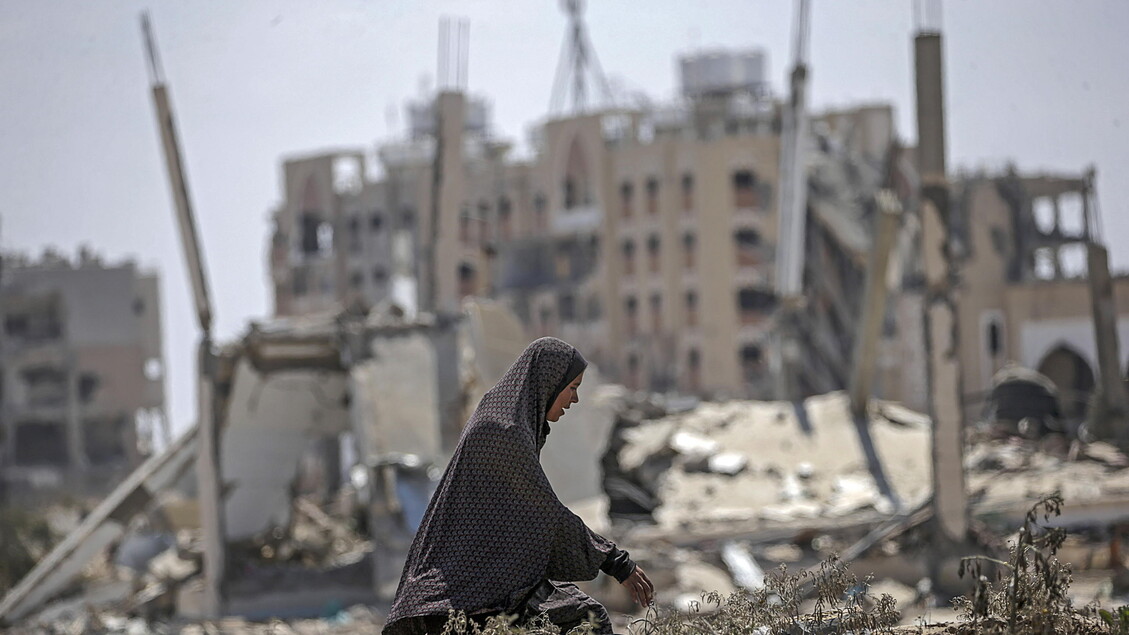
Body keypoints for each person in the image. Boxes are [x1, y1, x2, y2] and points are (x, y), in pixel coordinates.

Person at [383, 337, 654, 635]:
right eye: (573, 388)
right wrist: (616, 562)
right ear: (549, 383)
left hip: (487, 579)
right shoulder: (503, 433)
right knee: (586, 620)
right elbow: (546, 513)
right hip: (460, 593)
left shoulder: (505, 422)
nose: (574, 400)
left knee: (582, 615)